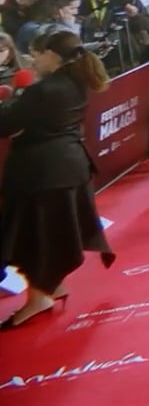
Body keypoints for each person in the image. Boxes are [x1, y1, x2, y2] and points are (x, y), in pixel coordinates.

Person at [0, 30, 115, 328]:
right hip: (68, 166)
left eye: (36, 54)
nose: (33, 60)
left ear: (51, 54)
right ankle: (54, 285)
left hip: (42, 173)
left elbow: (6, 124)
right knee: (56, 232)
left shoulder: (45, 90)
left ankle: (39, 298)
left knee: (36, 237)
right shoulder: (78, 80)